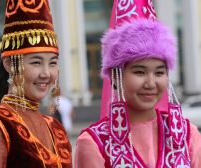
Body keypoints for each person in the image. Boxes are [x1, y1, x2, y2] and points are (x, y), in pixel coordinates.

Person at [75, 0, 201, 167]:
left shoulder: (187, 134)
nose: (150, 83)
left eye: (159, 72)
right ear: (115, 75)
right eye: (139, 72)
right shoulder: (94, 143)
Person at [0, 0, 72, 167]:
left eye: (52, 63)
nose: (46, 73)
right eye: (36, 62)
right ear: (8, 64)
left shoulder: (56, 128)